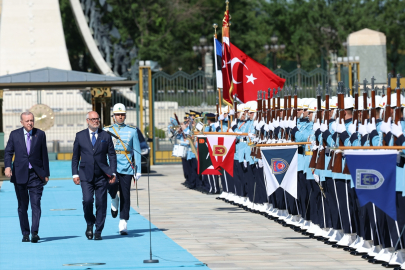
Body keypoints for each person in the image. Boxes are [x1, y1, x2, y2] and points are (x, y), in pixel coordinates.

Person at [4, 112, 50, 243]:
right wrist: (7, 167)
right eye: (27, 121)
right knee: (22, 206)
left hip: (36, 175)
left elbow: (44, 155)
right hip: (20, 175)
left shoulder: (40, 134)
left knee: (36, 205)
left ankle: (35, 232)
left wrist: (46, 174)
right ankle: (25, 233)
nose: (30, 123)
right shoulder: (15, 135)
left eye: (32, 120)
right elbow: (8, 152)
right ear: (22, 122)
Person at [72, 111, 117, 240]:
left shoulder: (106, 136)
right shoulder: (80, 136)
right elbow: (75, 157)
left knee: (101, 203)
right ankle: (90, 223)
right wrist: (75, 174)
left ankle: (98, 231)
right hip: (85, 175)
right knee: (87, 201)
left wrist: (112, 172)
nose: (96, 121)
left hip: (102, 175)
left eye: (97, 119)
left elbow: (112, 155)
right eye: (93, 119)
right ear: (87, 121)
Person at [104, 103, 142, 235]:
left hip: (126, 165)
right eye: (118, 115)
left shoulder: (132, 130)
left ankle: (123, 220)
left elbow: (136, 150)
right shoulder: (107, 130)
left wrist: (138, 169)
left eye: (122, 114)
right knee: (112, 186)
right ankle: (114, 197)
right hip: (112, 165)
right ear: (113, 116)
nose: (120, 117)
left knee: (126, 194)